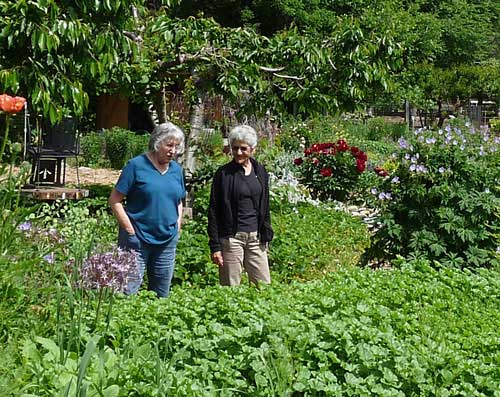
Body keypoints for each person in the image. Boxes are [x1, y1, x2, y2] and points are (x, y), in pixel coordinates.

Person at [108, 122, 186, 298]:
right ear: (157, 143)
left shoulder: (176, 170)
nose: (173, 150)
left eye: (176, 146)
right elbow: (115, 200)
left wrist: (177, 225)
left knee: (161, 294)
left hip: (166, 240)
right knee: (127, 291)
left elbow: (179, 200)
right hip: (137, 240)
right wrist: (130, 231)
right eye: (169, 145)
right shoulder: (136, 166)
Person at [208, 125, 273, 286]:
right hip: (231, 239)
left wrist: (266, 234)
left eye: (243, 149)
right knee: (231, 288)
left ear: (253, 149)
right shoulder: (224, 174)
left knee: (263, 286)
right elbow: (214, 210)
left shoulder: (260, 172)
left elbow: (265, 206)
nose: (238, 153)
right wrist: (215, 246)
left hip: (256, 238)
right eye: (234, 148)